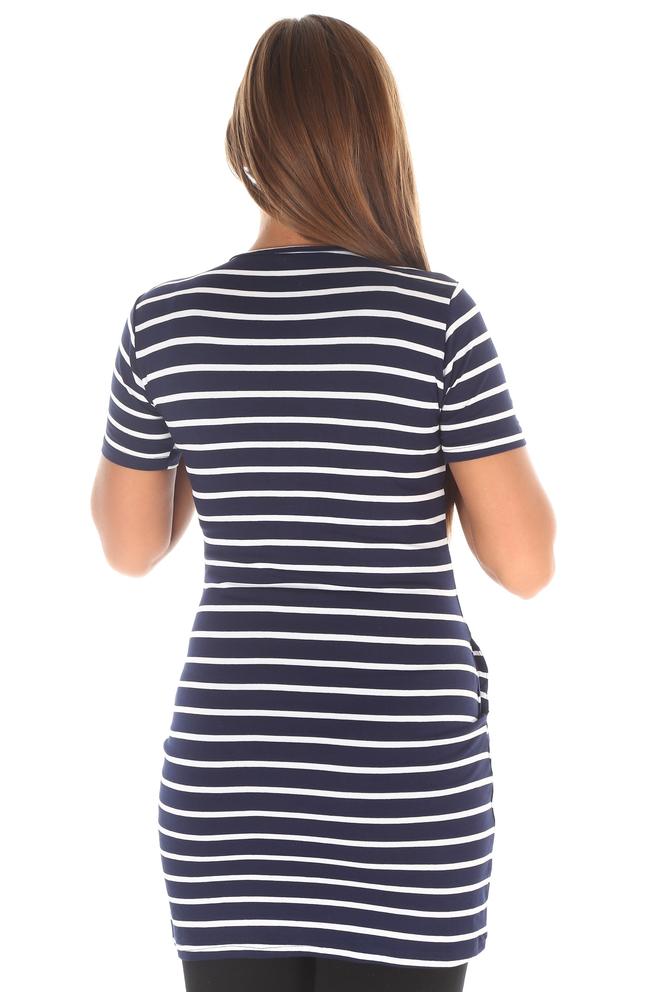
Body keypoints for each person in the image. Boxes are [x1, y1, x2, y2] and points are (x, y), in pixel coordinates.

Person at [91, 14, 555, 992]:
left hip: (232, 790)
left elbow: (130, 548)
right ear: (376, 137)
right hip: (406, 794)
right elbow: (526, 566)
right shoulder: (435, 318)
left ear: (244, 140)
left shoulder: (164, 322)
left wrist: (231, 444)